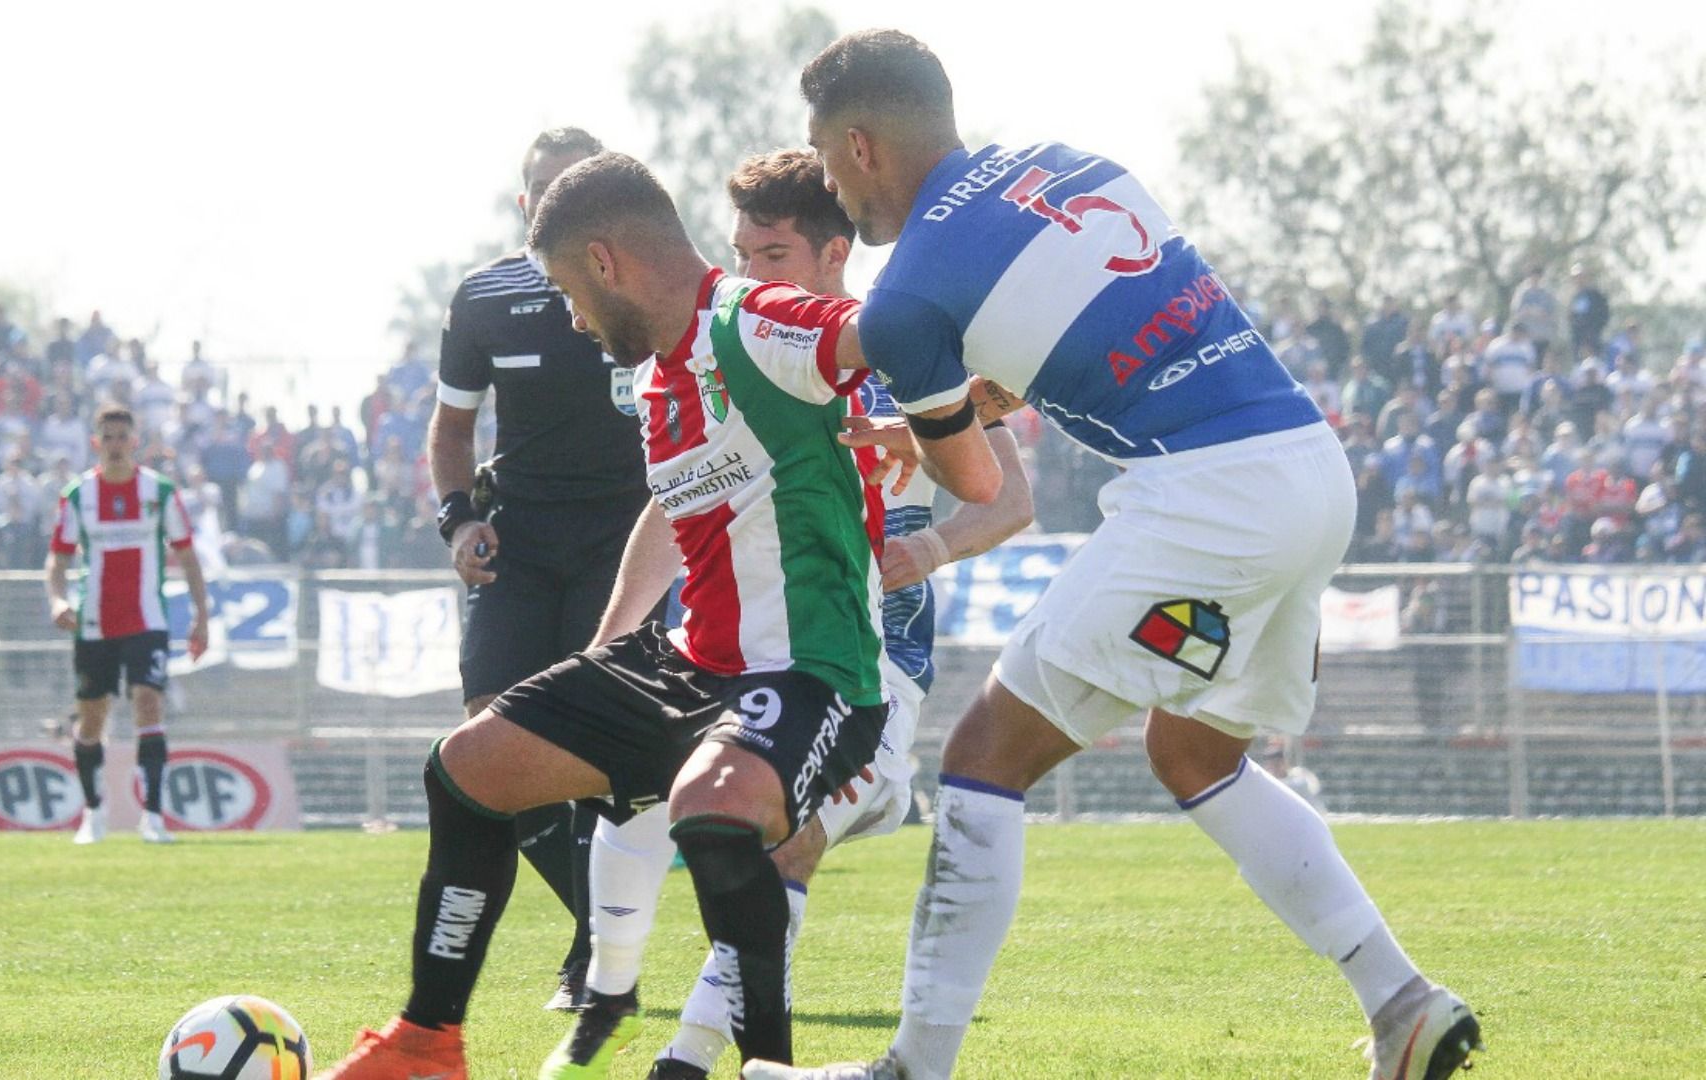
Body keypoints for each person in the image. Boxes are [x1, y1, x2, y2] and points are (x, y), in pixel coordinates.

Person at [751, 30, 1479, 1080]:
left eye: (822, 153)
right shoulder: (1070, 164)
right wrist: (961, 409)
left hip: (1210, 498)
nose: (826, 180)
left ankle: (914, 1066)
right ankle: (1403, 1004)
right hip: (1311, 470)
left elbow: (976, 481)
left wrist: (933, 423)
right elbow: (1084, 332)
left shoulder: (904, 297)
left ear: (860, 144)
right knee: (1194, 755)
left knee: (981, 757)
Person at [316, 152, 907, 1080]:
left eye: (567, 292)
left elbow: (891, 328)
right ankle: (427, 1044)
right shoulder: (662, 377)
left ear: (604, 261)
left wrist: (952, 407)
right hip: (683, 665)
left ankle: (768, 1070)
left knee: (712, 811)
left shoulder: (751, 319)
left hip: (809, 668)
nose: (573, 319)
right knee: (465, 768)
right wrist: (601, 656)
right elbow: (675, 516)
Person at [548, 150, 1033, 1080]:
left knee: (792, 837)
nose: (747, 272)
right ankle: (603, 993)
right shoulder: (726, 346)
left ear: (833, 255)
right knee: (636, 800)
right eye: (739, 250)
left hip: (874, 663)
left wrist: (926, 551)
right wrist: (613, 639)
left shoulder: (896, 355)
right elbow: (670, 501)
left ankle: (685, 1058)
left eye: (770, 253)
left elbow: (1010, 500)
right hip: (751, 649)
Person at [425, 126, 655, 1010]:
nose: (555, 200)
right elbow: (451, 429)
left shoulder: (652, 285)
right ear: (526, 204)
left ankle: (591, 961)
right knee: (488, 744)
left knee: (593, 753)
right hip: (519, 544)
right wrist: (460, 521)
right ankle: (600, 932)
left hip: (623, 541)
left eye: (576, 185)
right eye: (543, 189)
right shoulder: (484, 298)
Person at [45, 404, 209, 846]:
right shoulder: (78, 496)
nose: (116, 445)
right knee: (93, 718)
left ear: (135, 442)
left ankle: (153, 816)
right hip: (94, 622)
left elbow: (188, 555)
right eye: (108, 437)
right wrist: (58, 599)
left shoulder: (160, 491)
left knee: (148, 702)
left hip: (147, 620)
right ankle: (93, 812)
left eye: (123, 437)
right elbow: (58, 560)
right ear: (96, 443)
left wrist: (201, 617)